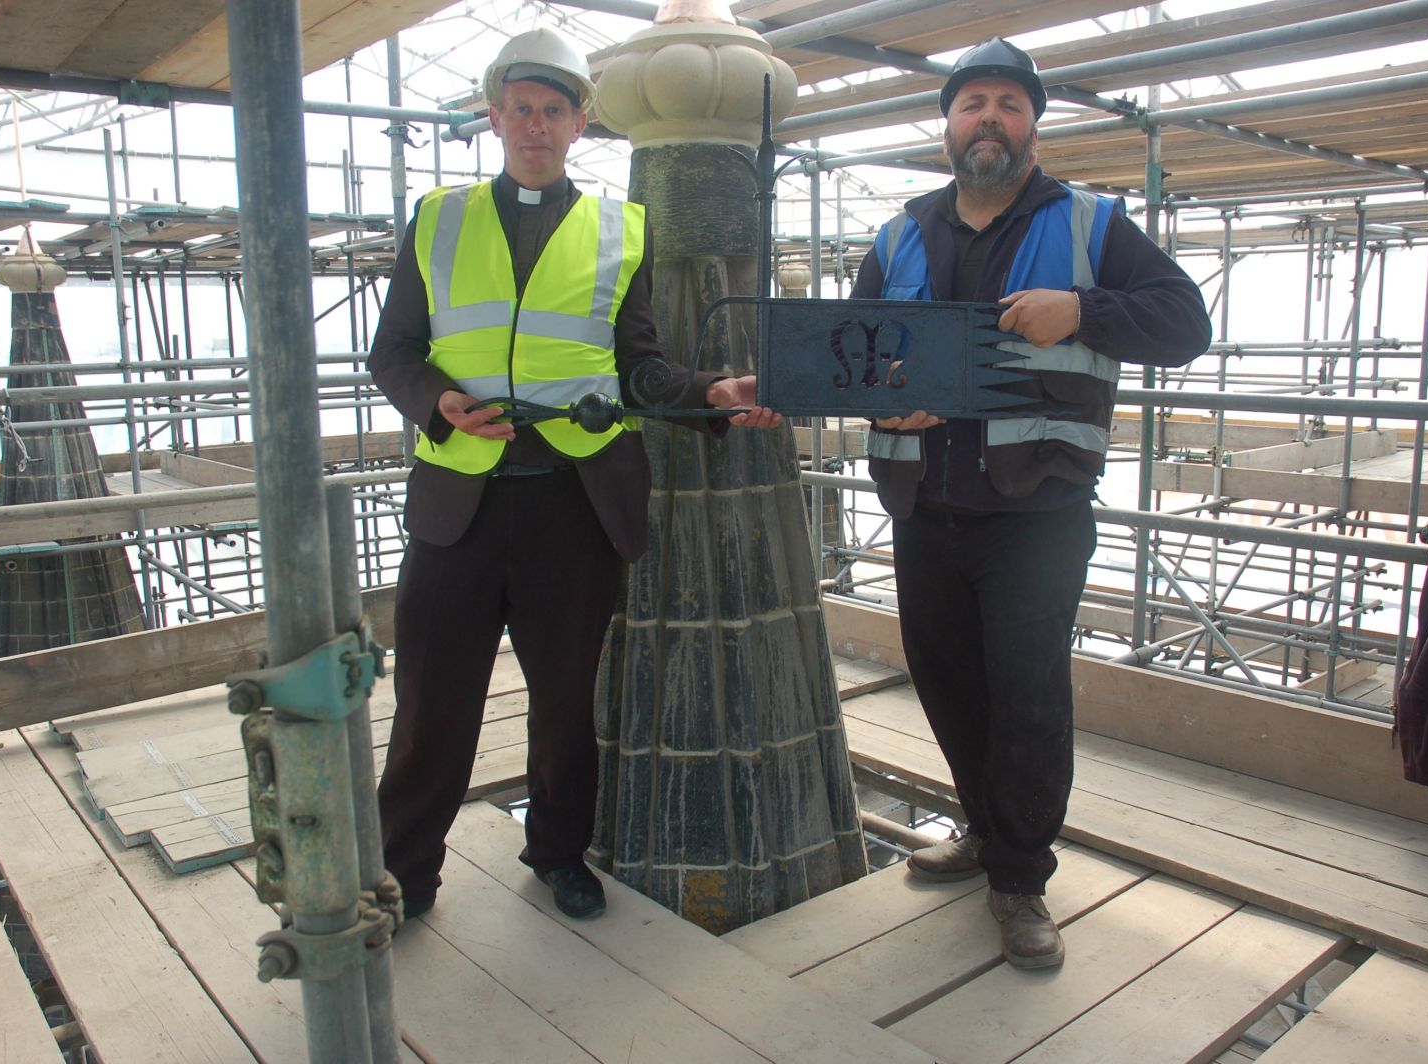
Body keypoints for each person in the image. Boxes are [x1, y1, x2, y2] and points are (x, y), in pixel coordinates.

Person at [369, 27, 778, 922]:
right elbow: (391, 352)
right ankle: (404, 879)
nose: (537, 125)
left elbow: (638, 367)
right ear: (495, 117)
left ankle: (557, 853)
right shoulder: (438, 219)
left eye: (554, 111)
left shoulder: (617, 228)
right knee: (432, 709)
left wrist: (711, 391)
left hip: (573, 503)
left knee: (564, 705)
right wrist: (438, 401)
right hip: (459, 507)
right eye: (521, 108)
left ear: (581, 124)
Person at [851, 38, 1210, 968]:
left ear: (1033, 125)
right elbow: (849, 356)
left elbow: (1184, 322)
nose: (990, 120)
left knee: (1029, 699)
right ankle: (983, 829)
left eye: (1009, 104)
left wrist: (1083, 311)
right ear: (948, 124)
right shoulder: (898, 234)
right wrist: (887, 391)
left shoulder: (1091, 225)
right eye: (973, 103)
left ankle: (1019, 879)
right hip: (925, 505)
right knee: (949, 686)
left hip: (1038, 512)